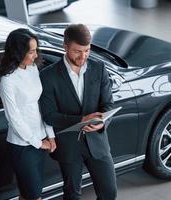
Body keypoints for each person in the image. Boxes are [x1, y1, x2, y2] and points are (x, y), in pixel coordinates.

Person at [39, 24, 117, 200]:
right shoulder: (48, 76)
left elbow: (108, 104)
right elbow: (49, 115)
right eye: (77, 51)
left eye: (87, 50)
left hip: (97, 143)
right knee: (72, 195)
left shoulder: (99, 68)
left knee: (109, 193)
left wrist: (103, 122)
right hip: (69, 146)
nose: (83, 56)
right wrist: (82, 119)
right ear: (65, 47)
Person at [0, 28, 56, 200]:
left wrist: (50, 135)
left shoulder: (32, 68)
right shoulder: (7, 82)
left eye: (36, 50)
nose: (36, 55)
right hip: (22, 146)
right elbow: (14, 120)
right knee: (34, 196)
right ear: (18, 53)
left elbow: (41, 104)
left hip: (40, 139)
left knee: (27, 194)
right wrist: (37, 142)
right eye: (31, 51)